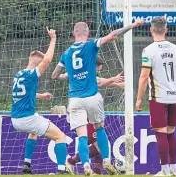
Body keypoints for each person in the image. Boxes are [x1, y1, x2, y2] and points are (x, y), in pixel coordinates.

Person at [51, 19, 143, 176]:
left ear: (73, 34)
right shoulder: (91, 45)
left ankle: (86, 165)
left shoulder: (66, 54)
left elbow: (54, 75)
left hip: (75, 100)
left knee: (82, 137)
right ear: (87, 32)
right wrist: (133, 25)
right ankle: (107, 160)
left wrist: (67, 76)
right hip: (92, 97)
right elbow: (113, 35)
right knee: (99, 128)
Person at [10, 28, 71, 175]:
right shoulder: (32, 74)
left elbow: (24, 94)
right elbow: (48, 60)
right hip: (27, 118)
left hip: (15, 119)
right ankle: (62, 170)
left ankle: (27, 164)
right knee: (60, 136)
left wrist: (41, 96)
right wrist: (53, 38)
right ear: (38, 62)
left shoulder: (19, 75)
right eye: (41, 63)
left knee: (33, 132)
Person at [135, 17, 176, 176]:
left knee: (161, 132)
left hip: (158, 97)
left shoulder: (149, 50)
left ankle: (164, 171)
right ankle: (174, 170)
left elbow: (144, 77)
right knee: (170, 132)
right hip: (173, 96)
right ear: (166, 29)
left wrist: (138, 98)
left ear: (151, 30)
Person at [58, 56, 124, 174]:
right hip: (80, 113)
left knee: (97, 143)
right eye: (97, 69)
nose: (98, 72)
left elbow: (98, 80)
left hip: (82, 112)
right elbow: (100, 82)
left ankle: (96, 170)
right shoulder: (86, 73)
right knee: (99, 144)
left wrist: (116, 83)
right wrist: (115, 79)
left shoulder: (79, 72)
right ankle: (71, 162)